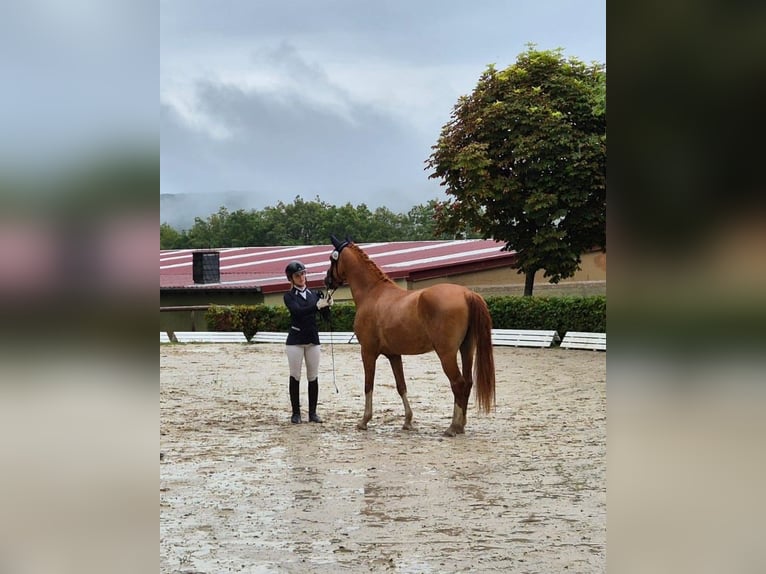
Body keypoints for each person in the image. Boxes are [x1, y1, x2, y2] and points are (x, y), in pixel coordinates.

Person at [283, 260, 333, 424]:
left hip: (312, 339)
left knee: (313, 376)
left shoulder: (314, 294)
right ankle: (296, 413)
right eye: (298, 275)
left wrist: (327, 306)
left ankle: (313, 413)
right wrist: (317, 307)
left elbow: (325, 318)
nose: (301, 277)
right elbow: (298, 312)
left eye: (303, 274)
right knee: (295, 376)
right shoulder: (289, 296)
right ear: (291, 278)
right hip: (295, 341)